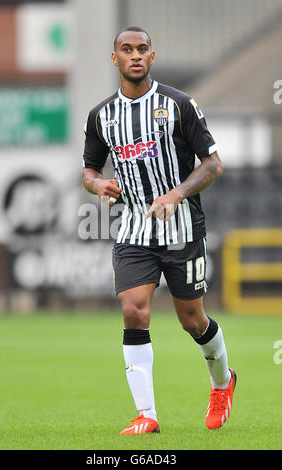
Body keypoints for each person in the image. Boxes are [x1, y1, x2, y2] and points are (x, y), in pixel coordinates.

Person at [82, 26, 236, 435]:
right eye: (126, 49)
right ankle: (146, 415)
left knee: (192, 320)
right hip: (133, 228)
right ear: (114, 58)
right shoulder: (102, 116)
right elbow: (89, 168)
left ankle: (223, 382)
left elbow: (213, 164)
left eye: (142, 49)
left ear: (152, 57)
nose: (135, 55)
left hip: (181, 227)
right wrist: (98, 184)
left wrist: (175, 193)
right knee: (134, 311)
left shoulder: (179, 105)